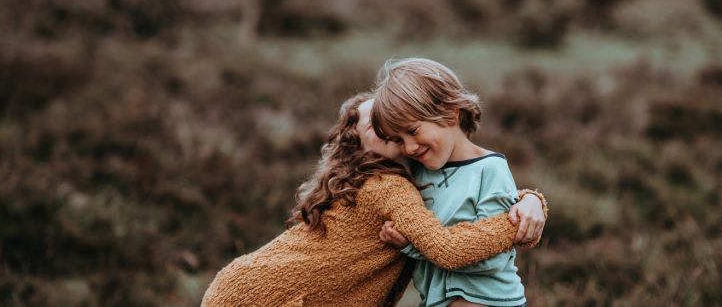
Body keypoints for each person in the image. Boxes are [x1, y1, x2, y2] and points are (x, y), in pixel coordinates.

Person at [202, 92, 547, 307]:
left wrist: (530, 198)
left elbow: (460, 193)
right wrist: (515, 223)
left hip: (240, 284)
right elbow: (447, 247)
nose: (388, 125)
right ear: (359, 144)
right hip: (267, 295)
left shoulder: (412, 174)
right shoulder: (386, 185)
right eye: (377, 125)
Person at [372, 58, 545, 307]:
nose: (408, 147)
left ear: (450, 113)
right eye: (397, 139)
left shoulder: (490, 169)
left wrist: (414, 247)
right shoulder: (415, 175)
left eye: (412, 131)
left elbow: (492, 257)